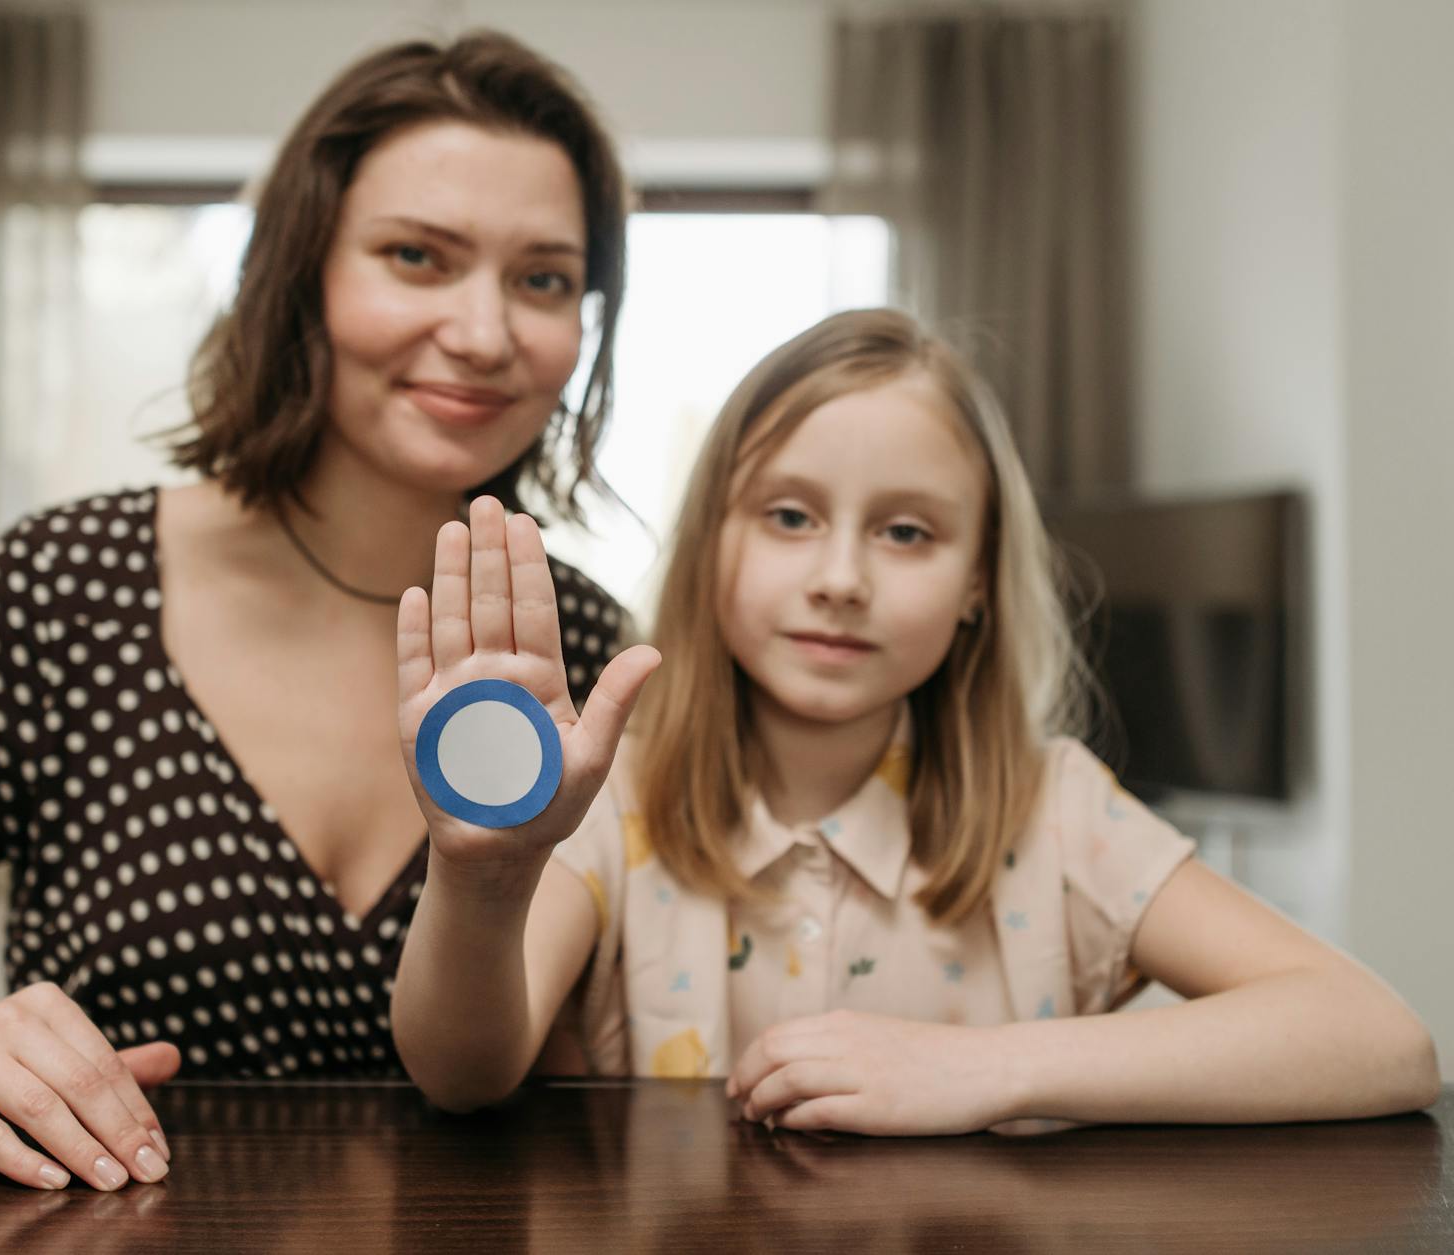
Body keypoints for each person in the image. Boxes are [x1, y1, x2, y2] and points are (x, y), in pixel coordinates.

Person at [0, 31, 636, 1191]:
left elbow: (502, 1066)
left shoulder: (588, 658)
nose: (487, 333)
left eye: (542, 278)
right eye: (415, 256)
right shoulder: (64, 590)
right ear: (298, 277)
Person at [391, 308, 1440, 1130]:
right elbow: (462, 1077)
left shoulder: (1054, 811)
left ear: (975, 581)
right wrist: (484, 876)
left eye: (904, 531)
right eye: (789, 517)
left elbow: (1379, 1039)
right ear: (714, 542)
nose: (840, 578)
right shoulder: (618, 800)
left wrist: (980, 1069)